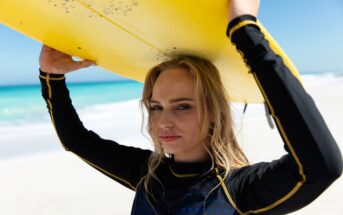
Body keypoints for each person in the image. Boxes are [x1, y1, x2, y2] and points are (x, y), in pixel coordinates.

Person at [38, 0, 342, 214]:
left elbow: (321, 167)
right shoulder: (147, 175)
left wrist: (245, 31)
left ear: (213, 113)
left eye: (182, 107)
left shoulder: (238, 190)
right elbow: (75, 140)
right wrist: (51, 76)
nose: (163, 122)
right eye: (156, 107)